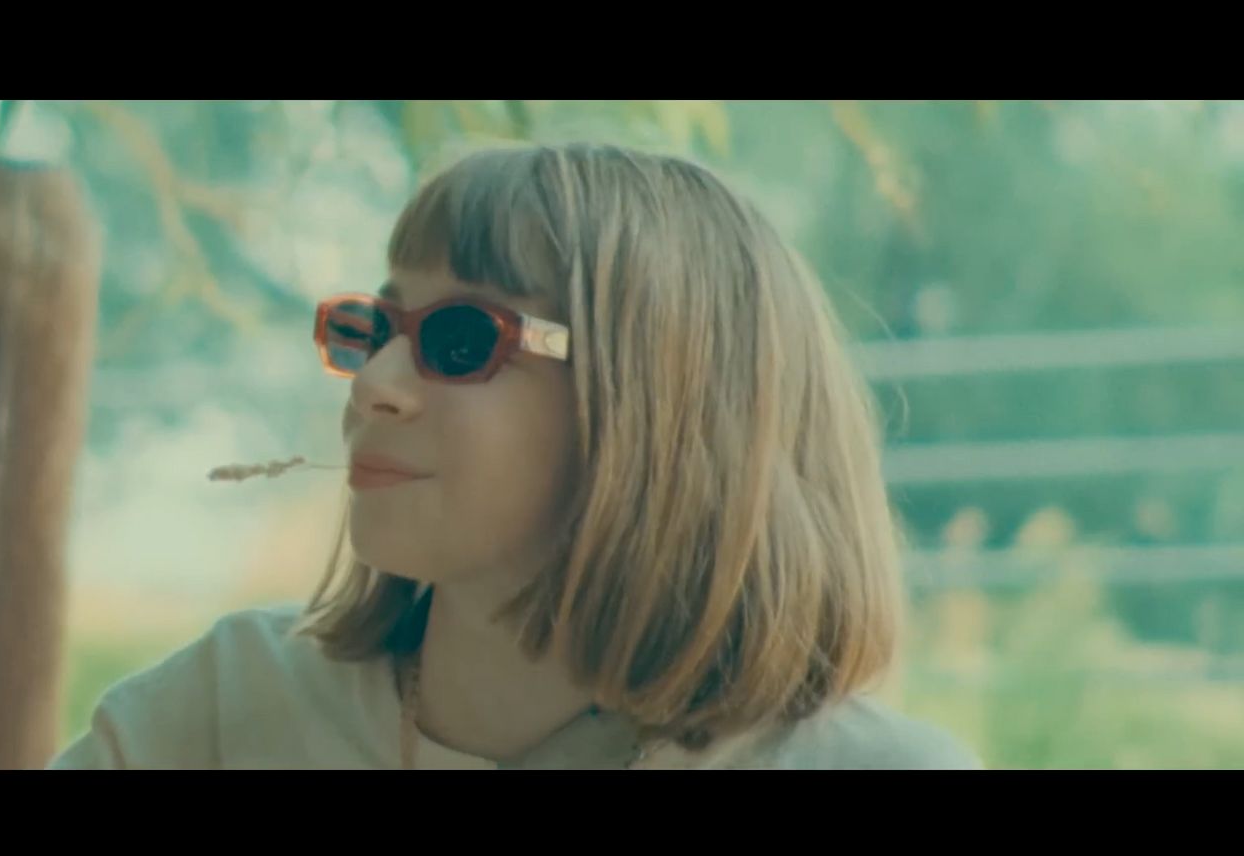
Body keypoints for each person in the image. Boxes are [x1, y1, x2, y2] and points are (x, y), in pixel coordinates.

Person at [50, 142, 982, 770]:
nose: (372, 381)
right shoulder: (220, 710)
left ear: (659, 405)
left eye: (459, 337)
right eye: (374, 328)